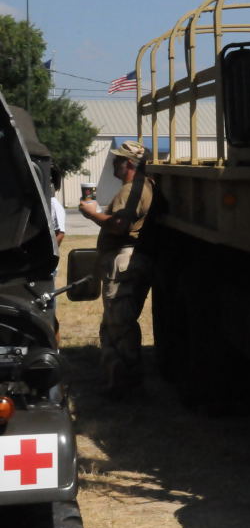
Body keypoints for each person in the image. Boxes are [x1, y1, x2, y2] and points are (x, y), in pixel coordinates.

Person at [78, 141, 154, 397]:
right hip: (129, 259)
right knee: (116, 323)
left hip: (124, 261)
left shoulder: (131, 190)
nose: (114, 162)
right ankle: (117, 381)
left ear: (129, 164)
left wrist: (91, 214)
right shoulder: (143, 186)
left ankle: (126, 385)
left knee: (119, 324)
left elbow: (120, 225)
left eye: (118, 159)